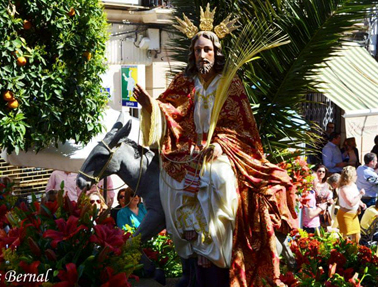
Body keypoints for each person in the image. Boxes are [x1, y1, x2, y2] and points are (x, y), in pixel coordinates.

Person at [133, 5, 297, 286]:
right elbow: (170, 111)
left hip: (223, 152)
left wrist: (220, 145)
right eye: (197, 50)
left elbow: (242, 128)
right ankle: (190, 243)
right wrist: (150, 105)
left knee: (216, 177)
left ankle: (216, 243)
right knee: (169, 184)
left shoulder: (230, 84)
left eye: (207, 50)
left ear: (216, 52)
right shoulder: (186, 82)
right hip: (189, 150)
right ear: (192, 54)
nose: (202, 55)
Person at [336, 166, 367, 243]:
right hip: (345, 215)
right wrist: (360, 194)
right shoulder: (343, 188)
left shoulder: (353, 185)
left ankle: (355, 252)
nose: (356, 176)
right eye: (355, 175)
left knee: (357, 237)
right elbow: (351, 203)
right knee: (345, 239)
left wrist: (361, 203)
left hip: (354, 215)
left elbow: (355, 197)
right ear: (350, 176)